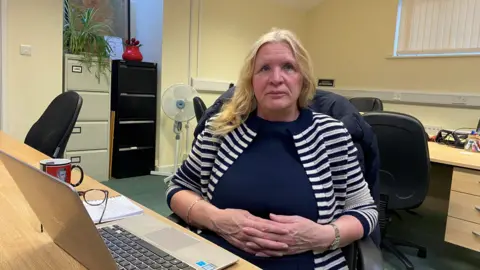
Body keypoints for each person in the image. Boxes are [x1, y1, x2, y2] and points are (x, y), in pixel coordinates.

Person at [166, 28, 378, 269]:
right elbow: (178, 189)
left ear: (303, 78)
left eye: (288, 67)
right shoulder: (220, 131)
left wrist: (325, 236)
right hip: (217, 263)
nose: (276, 78)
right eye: (264, 68)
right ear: (251, 81)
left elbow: (364, 209)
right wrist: (216, 220)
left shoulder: (333, 135)